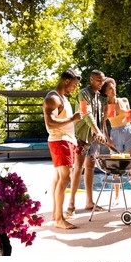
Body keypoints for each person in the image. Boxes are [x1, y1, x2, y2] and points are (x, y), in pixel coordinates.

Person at [43, 68, 82, 229]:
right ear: (66, 81)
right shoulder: (53, 98)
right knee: (64, 178)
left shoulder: (62, 98)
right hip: (60, 141)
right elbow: (50, 123)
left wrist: (74, 140)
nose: (74, 88)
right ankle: (59, 219)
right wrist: (73, 118)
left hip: (67, 141)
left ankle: (55, 214)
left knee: (60, 178)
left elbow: (65, 123)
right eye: (74, 85)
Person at [65, 70, 107, 217]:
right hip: (81, 136)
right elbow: (86, 113)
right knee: (78, 168)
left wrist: (102, 133)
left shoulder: (101, 97)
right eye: (98, 80)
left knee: (90, 167)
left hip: (94, 139)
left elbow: (103, 118)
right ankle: (71, 204)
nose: (101, 83)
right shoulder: (83, 93)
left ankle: (89, 202)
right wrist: (97, 130)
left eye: (102, 81)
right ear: (91, 79)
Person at [100, 77, 131, 207]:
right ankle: (117, 197)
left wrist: (130, 115)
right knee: (117, 168)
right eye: (110, 88)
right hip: (115, 133)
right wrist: (108, 139)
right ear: (105, 92)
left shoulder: (124, 100)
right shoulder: (105, 106)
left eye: (114, 86)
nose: (113, 89)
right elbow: (102, 124)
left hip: (128, 131)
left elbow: (128, 117)